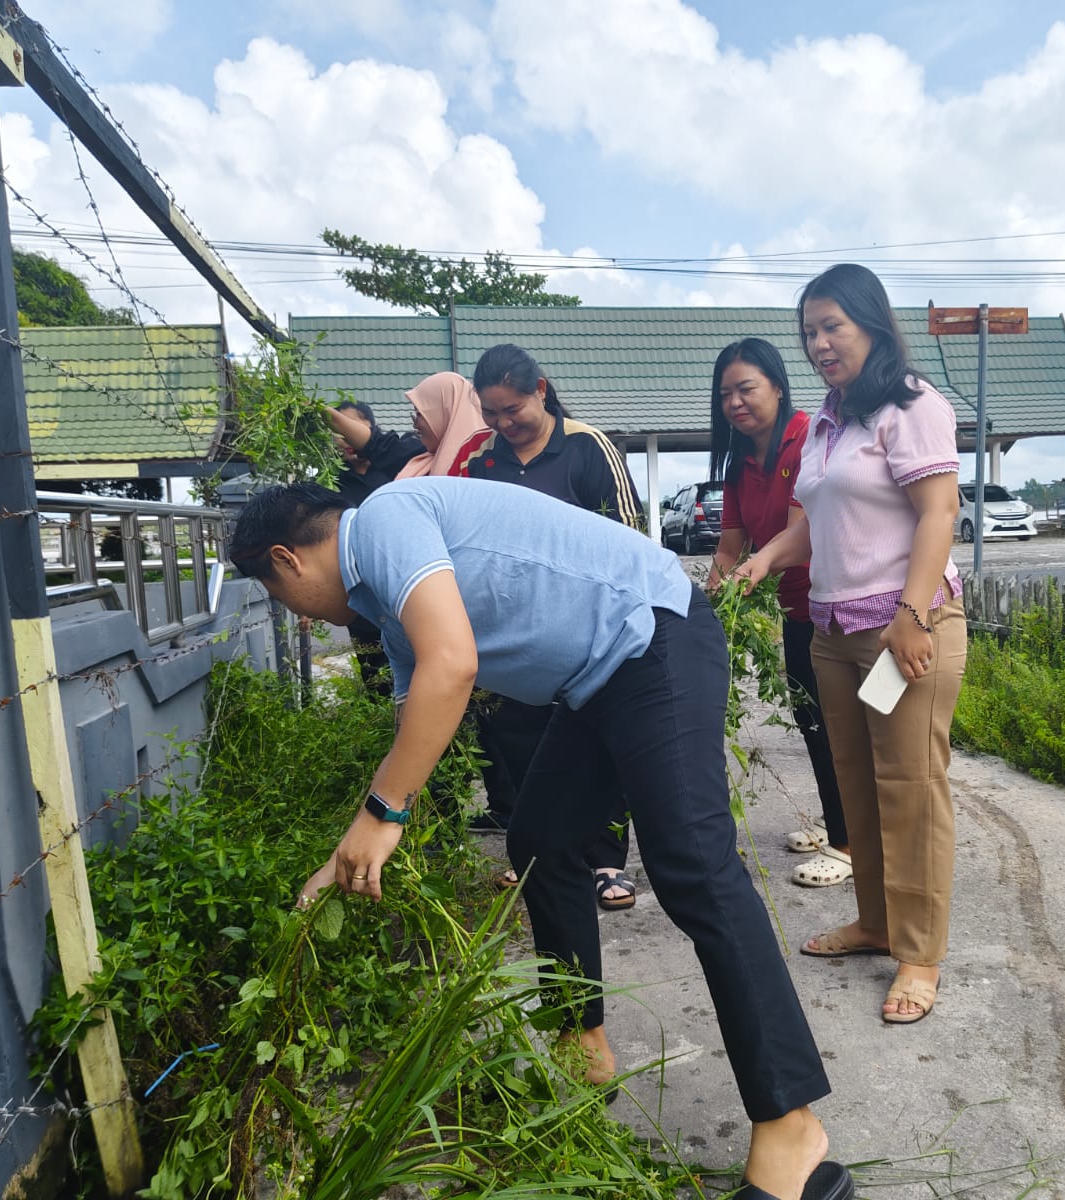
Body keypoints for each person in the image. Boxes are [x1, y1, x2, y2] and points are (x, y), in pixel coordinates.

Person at [228, 479, 851, 1200]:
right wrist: (349, 849)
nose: (296, 617)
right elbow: (418, 724)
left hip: (655, 637)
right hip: (599, 679)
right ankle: (582, 1041)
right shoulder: (385, 603)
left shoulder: (386, 523)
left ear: (288, 559)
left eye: (279, 597)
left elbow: (453, 664)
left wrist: (382, 813)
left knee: (694, 869)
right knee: (542, 839)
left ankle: (791, 1124)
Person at [737, 263, 967, 1026]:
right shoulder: (832, 419)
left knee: (910, 787)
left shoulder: (911, 405)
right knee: (859, 783)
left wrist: (911, 613)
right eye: (809, 332)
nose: (820, 343)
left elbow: (938, 512)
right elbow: (817, 523)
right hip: (835, 634)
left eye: (832, 325)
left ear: (871, 321)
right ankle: (875, 922)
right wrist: (767, 558)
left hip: (899, 633)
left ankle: (920, 953)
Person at [461, 344, 640, 910]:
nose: (503, 423)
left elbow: (627, 534)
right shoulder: (481, 465)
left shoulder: (587, 448)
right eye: (491, 414)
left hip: (588, 629)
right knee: (525, 745)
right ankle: (539, 859)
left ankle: (607, 860)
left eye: (512, 409)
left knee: (597, 743)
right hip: (518, 633)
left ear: (541, 390)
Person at [704, 338, 850, 889]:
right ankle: (838, 824)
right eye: (725, 394)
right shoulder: (741, 462)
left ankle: (847, 841)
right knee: (811, 720)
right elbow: (729, 545)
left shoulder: (805, 441)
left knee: (836, 725)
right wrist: (714, 594)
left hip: (831, 606)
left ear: (778, 388)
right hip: (793, 610)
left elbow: (799, 535)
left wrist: (755, 566)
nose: (735, 403)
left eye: (746, 388)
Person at [322, 399, 424, 692]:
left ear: (370, 429)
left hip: (403, 587)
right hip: (362, 598)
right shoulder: (333, 482)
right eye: (339, 435)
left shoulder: (404, 466)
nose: (347, 440)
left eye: (353, 429)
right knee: (376, 678)